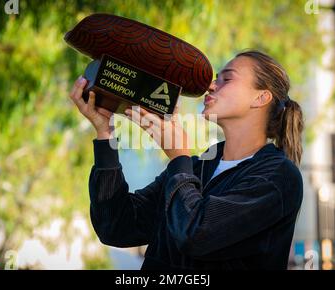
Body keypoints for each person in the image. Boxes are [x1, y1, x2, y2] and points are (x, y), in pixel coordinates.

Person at [69, 50, 304, 270]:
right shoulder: (197, 168)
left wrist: (178, 156)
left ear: (261, 97)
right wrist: (105, 135)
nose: (211, 86)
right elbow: (116, 227)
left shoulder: (278, 177)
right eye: (215, 79)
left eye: (227, 79)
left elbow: (196, 235)